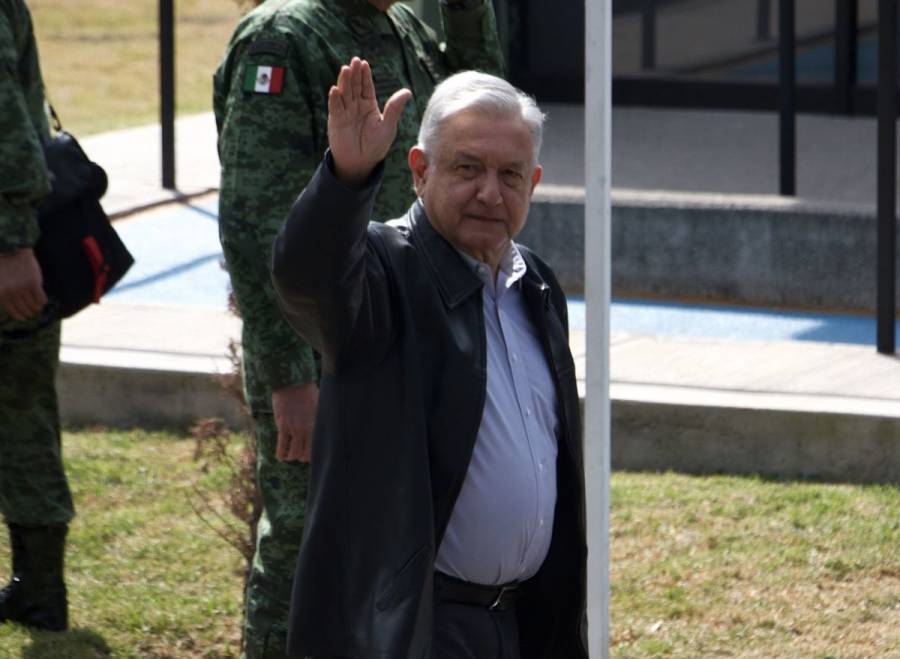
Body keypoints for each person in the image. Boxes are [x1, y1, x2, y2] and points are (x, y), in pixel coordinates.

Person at [271, 58, 588, 658]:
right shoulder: (386, 270)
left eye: (510, 174)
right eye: (467, 168)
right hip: (420, 629)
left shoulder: (536, 284)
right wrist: (346, 178)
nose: (490, 193)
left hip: (524, 620)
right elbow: (311, 281)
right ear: (420, 170)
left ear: (534, 183)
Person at [213, 1, 502, 656]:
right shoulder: (285, 37)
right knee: (304, 545)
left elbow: (487, 113)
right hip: (322, 355)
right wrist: (289, 376)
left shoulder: (404, 30)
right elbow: (257, 220)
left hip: (412, 339)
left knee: (407, 542)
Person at [0, 0, 71, 632]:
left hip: (7, 249)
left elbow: (8, 123)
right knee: (24, 418)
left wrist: (13, 241)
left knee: (24, 416)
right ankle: (37, 588)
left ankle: (41, 587)